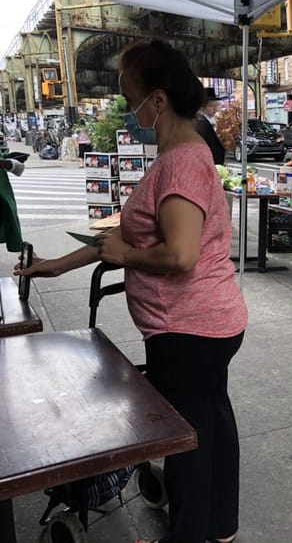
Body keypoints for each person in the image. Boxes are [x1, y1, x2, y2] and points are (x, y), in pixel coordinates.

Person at [15, 39, 247, 543]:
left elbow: (178, 254)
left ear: (158, 100)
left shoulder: (181, 161)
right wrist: (57, 266)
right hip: (213, 323)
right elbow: (124, 235)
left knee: (185, 440)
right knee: (211, 421)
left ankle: (188, 535)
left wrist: (124, 257)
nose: (127, 109)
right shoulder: (185, 153)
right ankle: (220, 527)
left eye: (129, 98)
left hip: (186, 328)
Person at [194, 87, 226, 165]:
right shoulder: (202, 122)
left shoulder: (205, 120)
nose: (215, 108)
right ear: (202, 107)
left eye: (216, 105)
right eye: (211, 106)